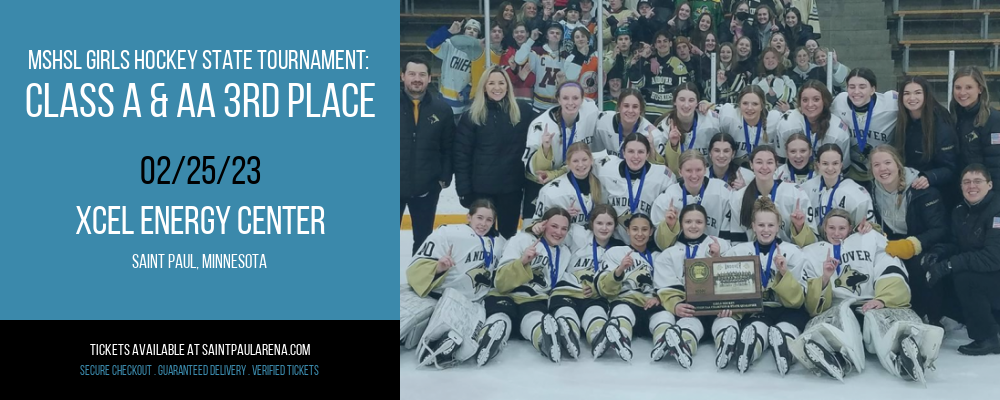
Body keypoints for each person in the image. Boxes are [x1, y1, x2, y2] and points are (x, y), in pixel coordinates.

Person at [795, 209, 942, 383]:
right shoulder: (813, 252)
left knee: (889, 321)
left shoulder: (866, 240)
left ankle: (908, 351)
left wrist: (883, 298)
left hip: (872, 302)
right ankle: (834, 356)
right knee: (834, 323)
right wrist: (825, 278)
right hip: (837, 306)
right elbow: (811, 303)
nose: (836, 233)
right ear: (824, 229)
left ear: (850, 228)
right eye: (831, 228)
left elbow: (888, 264)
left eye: (841, 228)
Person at [401, 200, 508, 368]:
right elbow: (414, 269)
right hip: (435, 295)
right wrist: (438, 267)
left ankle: (441, 344)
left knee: (447, 329)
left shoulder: (500, 243)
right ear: (469, 217)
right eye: (479, 218)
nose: (483, 224)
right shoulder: (449, 234)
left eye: (489, 220)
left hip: (469, 303)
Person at [720, 197, 814, 375]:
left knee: (785, 328)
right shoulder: (737, 252)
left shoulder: (793, 252)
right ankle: (748, 351)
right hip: (757, 309)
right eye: (761, 225)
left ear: (778, 226)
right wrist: (726, 305)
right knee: (755, 327)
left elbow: (798, 300)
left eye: (771, 225)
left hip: (788, 309)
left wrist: (785, 273)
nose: (766, 230)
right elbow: (723, 287)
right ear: (753, 226)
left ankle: (786, 352)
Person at [475, 207, 574, 365]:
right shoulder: (522, 240)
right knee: (501, 316)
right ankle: (488, 338)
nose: (559, 232)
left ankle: (544, 339)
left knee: (534, 317)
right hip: (505, 295)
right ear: (543, 224)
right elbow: (500, 282)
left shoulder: (565, 254)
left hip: (534, 299)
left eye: (564, 228)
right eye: (554, 226)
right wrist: (522, 261)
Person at [867, 145, 949, 323]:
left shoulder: (922, 189)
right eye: (877, 165)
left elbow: (940, 229)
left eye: (887, 162)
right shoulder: (871, 190)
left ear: (898, 165)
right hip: (894, 241)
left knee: (918, 266)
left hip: (924, 241)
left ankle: (930, 318)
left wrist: (913, 244)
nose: (883, 169)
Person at [926, 164, 1000, 355]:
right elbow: (955, 243)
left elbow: (993, 257)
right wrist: (937, 254)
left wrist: (949, 265)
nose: (971, 186)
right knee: (948, 275)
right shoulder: (960, 210)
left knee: (965, 278)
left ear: (990, 185)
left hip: (994, 270)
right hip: (985, 273)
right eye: (966, 182)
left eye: (977, 181)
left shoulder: (997, 211)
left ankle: (988, 337)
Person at [650, 204, 732, 368]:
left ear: (706, 224)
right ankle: (684, 345)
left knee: (726, 322)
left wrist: (718, 258)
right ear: (680, 223)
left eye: (698, 222)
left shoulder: (721, 245)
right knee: (688, 323)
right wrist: (676, 305)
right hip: (689, 308)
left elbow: (734, 277)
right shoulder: (669, 253)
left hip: (717, 307)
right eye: (688, 222)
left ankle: (727, 346)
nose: (693, 226)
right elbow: (666, 285)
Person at [455, 67, 532, 239]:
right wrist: (464, 189)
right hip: (481, 190)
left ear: (507, 86)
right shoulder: (471, 115)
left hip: (511, 190)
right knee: (481, 238)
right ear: (484, 87)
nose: (496, 87)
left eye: (501, 83)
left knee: (507, 238)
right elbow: (461, 156)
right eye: (491, 83)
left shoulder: (523, 112)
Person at [548, 204, 625, 360]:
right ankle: (568, 333)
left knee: (596, 312)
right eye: (599, 223)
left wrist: (597, 289)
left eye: (609, 224)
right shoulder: (579, 235)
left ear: (615, 226)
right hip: (567, 290)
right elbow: (553, 232)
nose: (604, 228)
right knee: (566, 312)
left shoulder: (619, 250)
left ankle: (599, 335)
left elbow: (613, 281)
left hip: (595, 296)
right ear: (591, 224)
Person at [523, 82, 599, 225]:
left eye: (575, 98)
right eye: (565, 98)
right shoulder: (540, 125)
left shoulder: (590, 112)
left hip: (573, 181)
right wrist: (545, 149)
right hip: (540, 185)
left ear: (583, 99)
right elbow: (534, 171)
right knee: (533, 229)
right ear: (558, 99)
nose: (570, 103)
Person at [400, 56, 455, 256]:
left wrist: (444, 178)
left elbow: (448, 148)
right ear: (402, 76)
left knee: (423, 241)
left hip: (427, 188)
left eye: (422, 74)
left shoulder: (442, 110)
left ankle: (419, 284)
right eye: (412, 74)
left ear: (429, 78)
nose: (417, 78)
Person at [594, 214, 661, 361]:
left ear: (651, 232)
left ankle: (663, 342)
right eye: (635, 229)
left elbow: (667, 283)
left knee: (664, 316)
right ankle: (621, 338)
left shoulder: (658, 257)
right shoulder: (615, 252)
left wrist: (659, 297)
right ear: (627, 231)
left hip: (650, 305)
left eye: (644, 229)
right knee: (621, 310)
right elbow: (604, 289)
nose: (639, 234)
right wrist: (619, 270)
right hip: (626, 301)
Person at [596, 133, 677, 243]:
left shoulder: (662, 175)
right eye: (630, 151)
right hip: (613, 240)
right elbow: (581, 160)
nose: (635, 156)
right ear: (623, 153)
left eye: (641, 152)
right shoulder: (607, 167)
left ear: (648, 153)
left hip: (646, 242)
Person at [729, 145, 815, 245]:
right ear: (751, 165)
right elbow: (737, 240)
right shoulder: (738, 197)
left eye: (769, 162)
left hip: (787, 255)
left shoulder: (795, 193)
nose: (764, 167)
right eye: (759, 162)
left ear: (776, 165)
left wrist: (799, 227)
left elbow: (810, 243)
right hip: (754, 256)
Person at [651, 150, 733, 248]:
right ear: (680, 172)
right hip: (681, 257)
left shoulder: (722, 192)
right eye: (689, 170)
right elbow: (662, 245)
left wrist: (720, 250)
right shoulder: (667, 198)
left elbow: (729, 237)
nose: (694, 175)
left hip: (712, 255)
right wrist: (669, 227)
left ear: (705, 170)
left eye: (698, 170)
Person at [831, 68, 898, 187]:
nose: (856, 91)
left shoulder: (891, 103)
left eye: (862, 87)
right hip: (849, 173)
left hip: (882, 172)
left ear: (873, 89)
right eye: (852, 87)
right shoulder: (839, 102)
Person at [894, 76, 957, 197]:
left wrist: (930, 177)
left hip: (937, 191)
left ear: (926, 95)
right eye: (907, 93)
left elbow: (950, 168)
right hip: (910, 185)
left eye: (917, 93)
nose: (912, 98)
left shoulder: (941, 124)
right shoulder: (902, 120)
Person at [533, 142, 603, 250]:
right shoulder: (551, 192)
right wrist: (562, 216)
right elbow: (537, 223)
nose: (580, 165)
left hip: (594, 243)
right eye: (575, 161)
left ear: (591, 160)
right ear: (568, 163)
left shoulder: (601, 183)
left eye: (584, 160)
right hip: (563, 246)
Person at [799, 143, 875, 234]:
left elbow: (867, 228)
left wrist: (866, 226)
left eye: (835, 163)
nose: (830, 168)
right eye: (825, 163)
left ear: (841, 165)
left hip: (845, 244)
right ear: (818, 165)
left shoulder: (857, 194)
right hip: (813, 244)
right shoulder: (806, 189)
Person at [772, 80, 851, 168]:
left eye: (816, 99)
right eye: (805, 100)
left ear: (824, 101)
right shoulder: (787, 124)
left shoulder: (838, 132)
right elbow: (781, 161)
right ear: (799, 102)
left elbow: (843, 168)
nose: (810, 104)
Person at [655, 82, 722, 171]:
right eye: (682, 100)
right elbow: (660, 166)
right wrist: (673, 147)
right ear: (675, 101)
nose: (686, 105)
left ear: (697, 103)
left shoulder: (711, 120)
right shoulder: (664, 128)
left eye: (691, 100)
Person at [951, 66, 1000, 181]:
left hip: (984, 189)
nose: (962, 92)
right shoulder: (954, 116)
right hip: (961, 184)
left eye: (968, 87)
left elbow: (996, 164)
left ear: (980, 89)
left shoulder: (993, 119)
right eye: (958, 87)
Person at [426, 20, 484, 118]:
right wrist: (449, 32)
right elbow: (430, 43)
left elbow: (479, 77)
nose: (471, 31)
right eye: (468, 28)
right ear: (464, 31)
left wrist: (467, 91)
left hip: (464, 104)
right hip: (444, 100)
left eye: (475, 30)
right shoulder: (450, 44)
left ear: (478, 35)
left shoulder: (480, 52)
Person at [702, 86, 771, 165]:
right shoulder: (729, 115)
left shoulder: (773, 121)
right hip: (732, 170)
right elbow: (709, 107)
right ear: (739, 104)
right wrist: (703, 103)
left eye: (755, 104)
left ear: (762, 106)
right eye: (745, 103)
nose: (749, 108)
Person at [594, 88, 658, 159]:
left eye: (635, 107)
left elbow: (658, 166)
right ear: (619, 107)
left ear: (641, 110)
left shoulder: (651, 134)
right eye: (626, 106)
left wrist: (651, 148)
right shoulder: (602, 122)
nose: (630, 110)